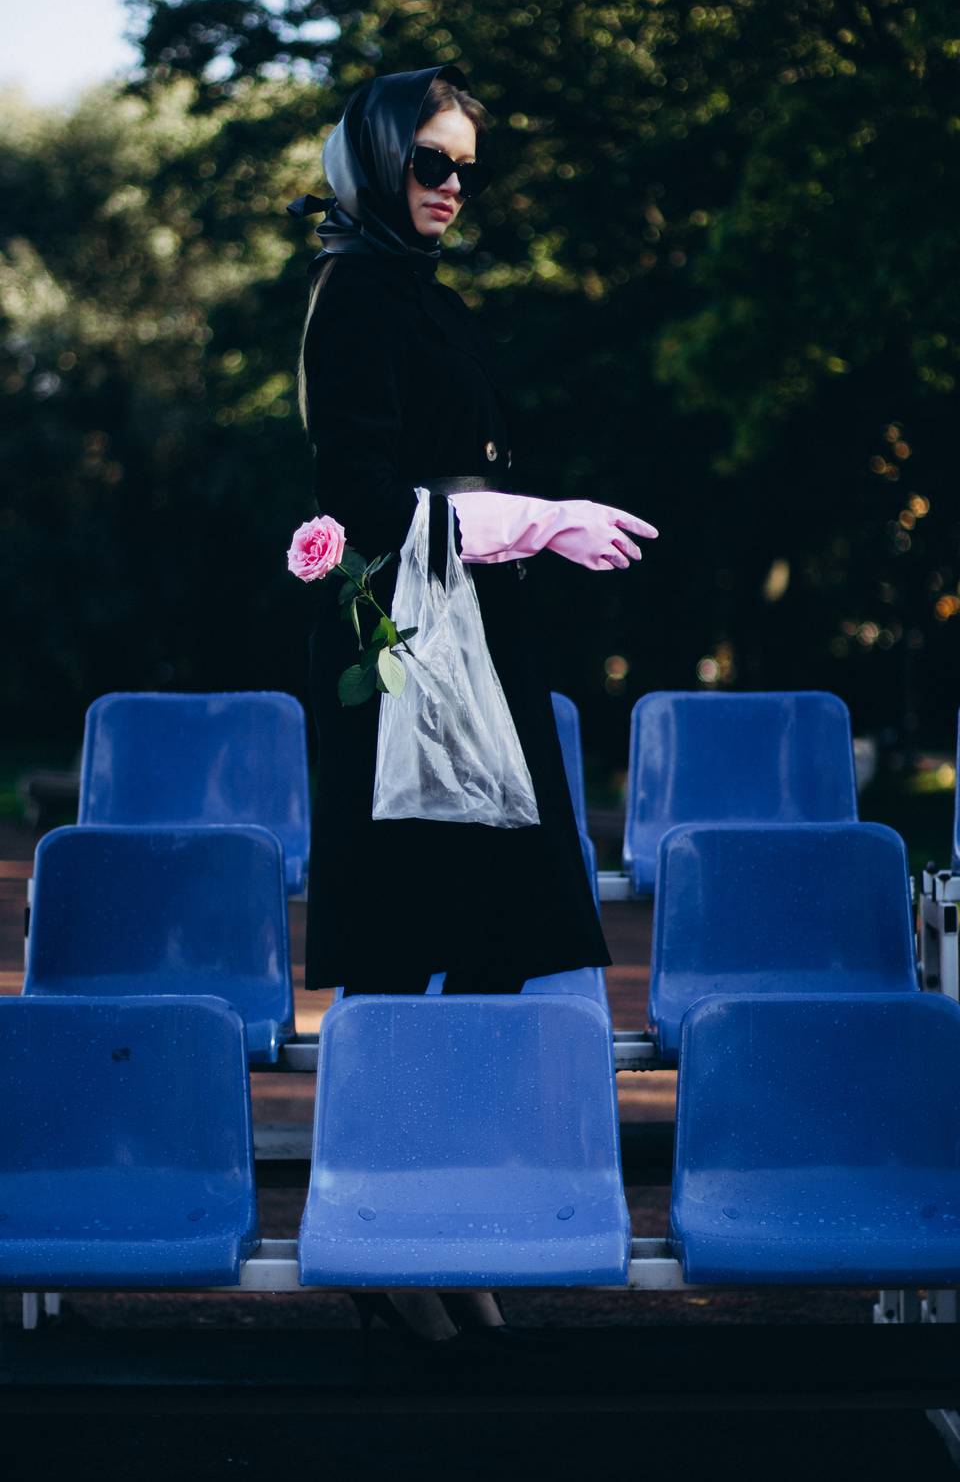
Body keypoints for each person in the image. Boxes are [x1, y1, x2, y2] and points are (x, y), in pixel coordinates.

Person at [288, 65, 656, 1349]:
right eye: (429, 163)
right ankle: (390, 1233)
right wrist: (535, 520)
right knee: (401, 952)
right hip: (401, 655)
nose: (452, 186)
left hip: (476, 642)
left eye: (465, 168)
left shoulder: (424, 297)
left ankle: (435, 1215)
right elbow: (360, 498)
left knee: (511, 932)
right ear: (374, 165)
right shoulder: (353, 295)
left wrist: (524, 527)